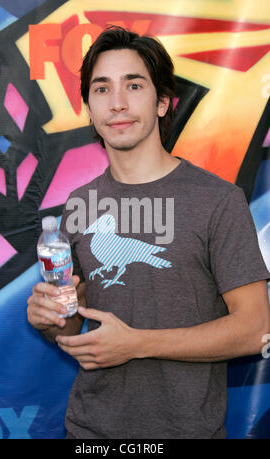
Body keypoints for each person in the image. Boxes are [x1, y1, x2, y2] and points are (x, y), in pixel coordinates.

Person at [27, 26, 270, 439]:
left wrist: (138, 343)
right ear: (89, 107)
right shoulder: (79, 205)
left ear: (161, 102)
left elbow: (255, 329)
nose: (117, 103)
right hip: (91, 433)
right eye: (101, 89)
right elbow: (71, 321)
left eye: (133, 85)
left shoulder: (218, 200)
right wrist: (49, 318)